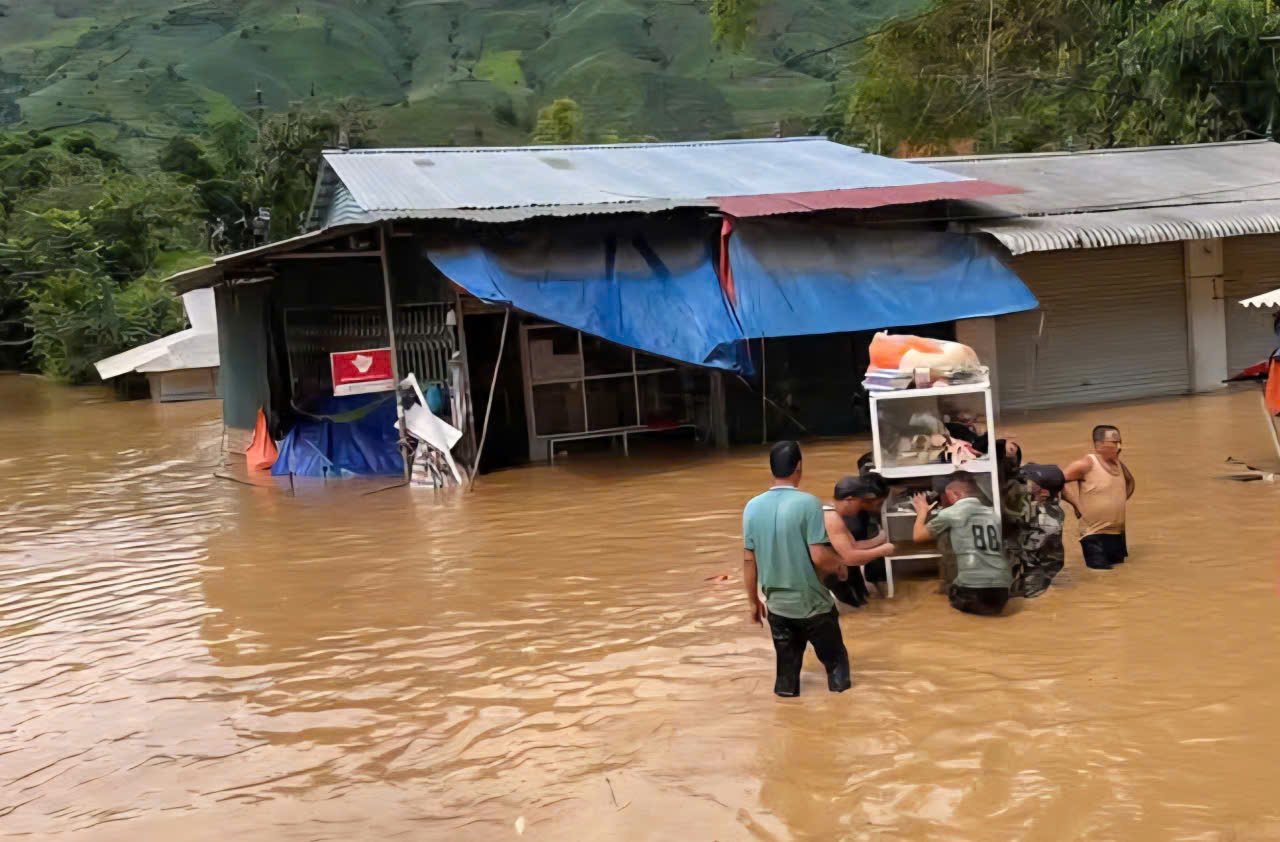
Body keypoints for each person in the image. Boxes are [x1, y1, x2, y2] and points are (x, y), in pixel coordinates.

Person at [743, 441, 852, 697]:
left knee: (786, 677)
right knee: (836, 665)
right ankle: (843, 710)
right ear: (799, 467)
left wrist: (753, 602)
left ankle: (786, 714)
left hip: (777, 607)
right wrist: (839, 566)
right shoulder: (808, 503)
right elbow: (819, 556)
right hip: (813, 605)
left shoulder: (752, 507)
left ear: (772, 468)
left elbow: (749, 560)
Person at [912, 474, 1012, 616]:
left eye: (947, 497)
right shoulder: (992, 514)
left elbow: (918, 536)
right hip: (1002, 593)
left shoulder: (950, 513)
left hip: (974, 593)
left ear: (956, 494)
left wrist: (922, 512)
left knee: (952, 596)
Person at [1062, 425, 1134, 570]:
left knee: (1119, 574)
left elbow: (1130, 482)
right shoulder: (1086, 464)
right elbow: (1057, 481)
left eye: (1120, 442)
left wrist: (1118, 502)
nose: (1119, 447)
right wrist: (1076, 504)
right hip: (1093, 534)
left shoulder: (1119, 464)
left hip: (1117, 533)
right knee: (1101, 576)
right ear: (1099, 445)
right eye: (1114, 443)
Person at [822, 475, 896, 608]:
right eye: (861, 502)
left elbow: (854, 545)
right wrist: (882, 551)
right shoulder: (832, 518)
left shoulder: (834, 513)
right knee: (853, 609)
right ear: (849, 500)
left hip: (830, 569)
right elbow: (850, 558)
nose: (863, 505)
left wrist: (879, 540)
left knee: (860, 607)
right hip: (819, 574)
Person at [1007, 463, 1067, 597]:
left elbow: (1028, 551)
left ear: (1044, 492)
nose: (1024, 482)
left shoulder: (1045, 518)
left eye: (1030, 481)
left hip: (1032, 579)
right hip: (1035, 570)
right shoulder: (1037, 505)